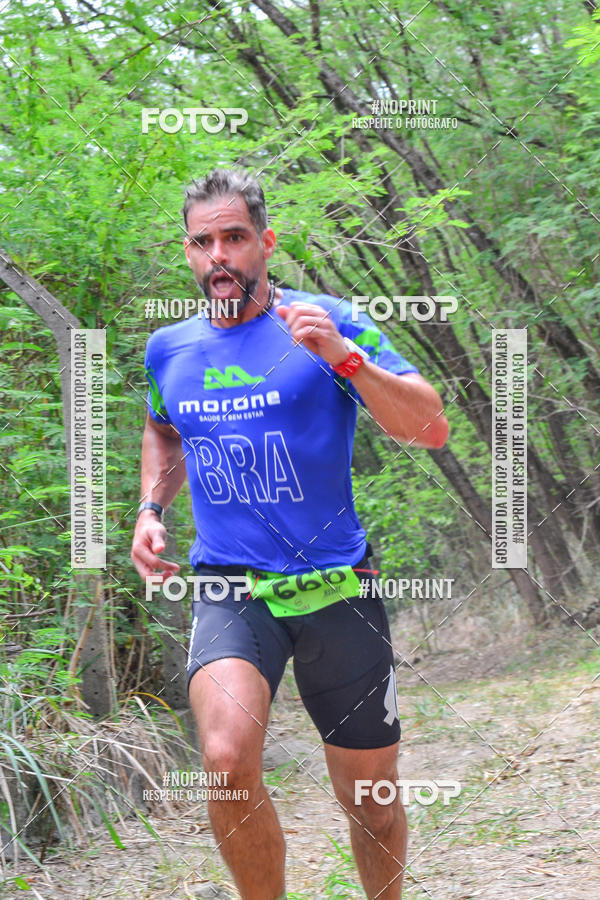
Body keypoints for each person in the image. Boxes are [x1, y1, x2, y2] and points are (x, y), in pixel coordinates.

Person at [131, 168, 448, 900]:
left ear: (264, 243)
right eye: (203, 241)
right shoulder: (169, 348)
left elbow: (429, 427)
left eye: (234, 237)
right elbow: (164, 429)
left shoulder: (326, 319)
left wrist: (345, 356)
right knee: (224, 758)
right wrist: (151, 509)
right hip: (230, 587)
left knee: (368, 797)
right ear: (188, 253)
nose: (219, 255)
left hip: (338, 586)